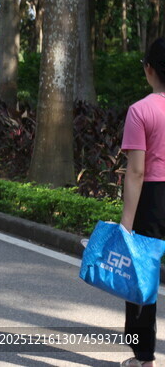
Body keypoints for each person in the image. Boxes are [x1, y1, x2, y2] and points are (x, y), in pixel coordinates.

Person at [121, 37, 165, 367]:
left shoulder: (140, 111)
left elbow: (135, 172)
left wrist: (125, 225)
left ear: (149, 69)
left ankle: (144, 358)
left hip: (152, 199)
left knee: (143, 277)